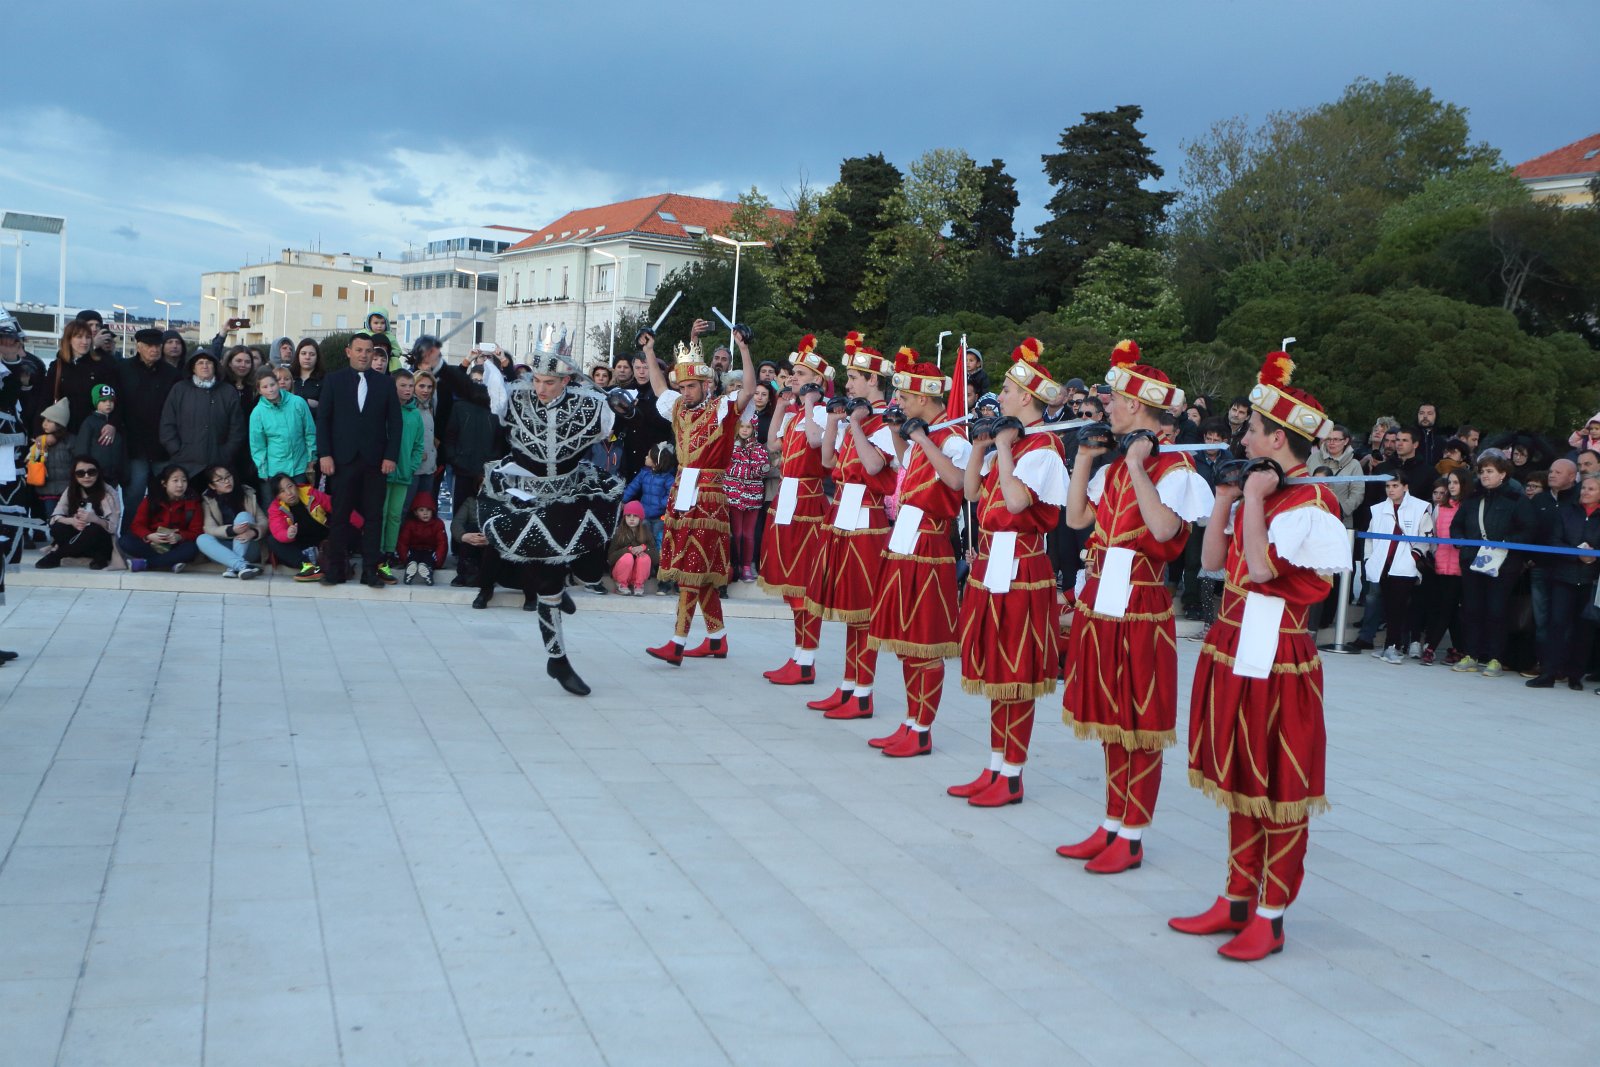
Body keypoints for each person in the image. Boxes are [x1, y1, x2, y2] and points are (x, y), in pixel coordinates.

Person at [1173, 350, 1350, 961]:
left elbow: (1266, 568)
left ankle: (1271, 913)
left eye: (1251, 428)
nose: (1242, 433)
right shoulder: (1263, 492)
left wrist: (1252, 496)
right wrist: (1228, 495)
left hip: (1278, 656)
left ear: (1278, 438)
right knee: (1240, 779)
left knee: (1277, 784)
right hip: (1233, 644)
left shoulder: (1309, 505)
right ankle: (1236, 897)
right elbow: (1215, 566)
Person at [1058, 339, 1212, 868]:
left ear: (1138, 410)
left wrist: (1141, 465)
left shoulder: (1175, 472)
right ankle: (1110, 822)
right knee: (1108, 718)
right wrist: (1083, 458)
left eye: (1115, 402)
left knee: (1138, 722)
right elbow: (1078, 520)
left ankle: (1133, 833)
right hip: (1102, 599)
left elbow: (1167, 531)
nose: (1106, 408)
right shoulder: (1114, 467)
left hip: (1142, 606)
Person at [948, 339, 1069, 808]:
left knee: (1015, 670)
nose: (1000, 392)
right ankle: (995, 764)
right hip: (994, 561)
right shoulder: (1015, 443)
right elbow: (973, 493)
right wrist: (983, 446)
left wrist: (1003, 446)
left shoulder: (1044, 448)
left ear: (1025, 396)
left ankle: (1012, 773)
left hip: (1022, 564)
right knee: (998, 668)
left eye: (1007, 387)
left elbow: (1018, 502)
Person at [475, 339, 624, 695]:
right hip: (527, 496)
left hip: (572, 492)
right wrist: (487, 359)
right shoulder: (514, 399)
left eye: (550, 382)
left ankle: (571, 575)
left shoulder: (590, 405)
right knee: (547, 584)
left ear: (566, 381)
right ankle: (557, 659)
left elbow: (611, 418)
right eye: (538, 380)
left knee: (590, 565)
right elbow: (488, 386)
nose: (540, 388)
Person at [863, 350, 971, 759]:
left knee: (925, 639)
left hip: (930, 546)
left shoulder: (955, 440)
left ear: (924, 400)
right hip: (905, 542)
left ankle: (923, 728)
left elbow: (957, 483)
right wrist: (901, 434)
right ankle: (911, 721)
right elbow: (907, 476)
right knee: (906, 640)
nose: (900, 405)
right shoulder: (922, 437)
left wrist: (924, 438)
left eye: (905, 399)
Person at [641, 320, 754, 666]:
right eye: (683, 386)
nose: (685, 391)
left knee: (692, 568)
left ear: (706, 385)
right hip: (682, 493)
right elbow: (660, 389)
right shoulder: (678, 408)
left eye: (691, 386)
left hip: (708, 496)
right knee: (699, 570)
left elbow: (749, 389)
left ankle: (677, 642)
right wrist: (648, 350)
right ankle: (717, 639)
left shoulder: (721, 408)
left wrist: (745, 349)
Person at [803, 335, 898, 719]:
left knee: (863, 608)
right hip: (842, 512)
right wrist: (833, 421)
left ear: (873, 380)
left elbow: (875, 467)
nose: (848, 385)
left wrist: (856, 425)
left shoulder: (884, 422)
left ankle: (863, 693)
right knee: (846, 607)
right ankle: (847, 686)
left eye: (855, 378)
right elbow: (827, 461)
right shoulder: (855, 418)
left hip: (868, 518)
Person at [758, 336, 834, 685]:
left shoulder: (823, 412)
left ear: (816, 380)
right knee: (790, 581)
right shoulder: (794, 413)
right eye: (794, 373)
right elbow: (773, 442)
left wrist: (807, 405)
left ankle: (807, 658)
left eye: (801, 374)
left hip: (808, 500)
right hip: (787, 498)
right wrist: (780, 406)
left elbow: (818, 444)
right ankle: (799, 655)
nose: (793, 378)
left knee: (804, 580)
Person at [315, 333, 402, 588]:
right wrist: (325, 454)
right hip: (342, 460)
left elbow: (395, 424)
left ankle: (370, 571)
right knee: (339, 516)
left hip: (376, 462)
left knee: (374, 517)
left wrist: (390, 456)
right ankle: (335, 570)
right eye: (360, 350)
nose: (364, 355)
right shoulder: (333, 381)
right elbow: (323, 420)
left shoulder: (385, 384)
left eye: (369, 351)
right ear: (348, 352)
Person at [1451, 454, 1532, 678]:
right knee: (1471, 609)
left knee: (1497, 610)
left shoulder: (1517, 499)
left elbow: (1527, 530)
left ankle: (1496, 658)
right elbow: (1457, 525)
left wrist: (1507, 543)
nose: (1485, 476)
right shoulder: (1472, 497)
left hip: (1504, 564)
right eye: (1482, 472)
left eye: (1490, 471)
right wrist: (1460, 540)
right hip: (1472, 561)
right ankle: (1471, 655)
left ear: (1503, 474)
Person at [1526, 473, 1600, 690]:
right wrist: (1577, 554)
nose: (1585, 492)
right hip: (1563, 576)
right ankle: (1548, 673)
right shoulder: (1565, 512)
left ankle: (1575, 675)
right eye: (1584, 488)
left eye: (1591, 489)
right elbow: (1554, 541)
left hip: (1590, 580)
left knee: (1583, 629)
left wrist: (1593, 556)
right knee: (1556, 626)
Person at [1362, 472, 1432, 665]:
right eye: (1388, 486)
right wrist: (1369, 559)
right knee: (1388, 605)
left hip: (1405, 565)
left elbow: (1426, 536)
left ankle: (1393, 645)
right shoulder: (1377, 509)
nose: (1391, 490)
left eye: (1395, 486)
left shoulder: (1420, 507)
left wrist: (1414, 556)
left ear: (1405, 487)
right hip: (1383, 564)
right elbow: (1370, 536)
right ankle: (1389, 646)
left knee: (1398, 607)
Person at [116, 327, 182, 523]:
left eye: (157, 346)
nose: (154, 350)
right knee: (134, 495)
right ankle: (129, 537)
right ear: (138, 347)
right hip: (135, 444)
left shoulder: (172, 374)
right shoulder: (123, 369)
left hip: (163, 445)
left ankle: (160, 536)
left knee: (164, 494)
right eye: (149, 346)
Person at [159, 348, 245, 478]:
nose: (205, 366)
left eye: (209, 362)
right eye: (200, 363)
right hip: (185, 464)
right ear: (193, 368)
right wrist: (177, 450)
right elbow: (167, 423)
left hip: (219, 466)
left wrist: (225, 453)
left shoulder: (228, 391)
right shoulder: (179, 390)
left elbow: (237, 428)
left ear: (215, 367)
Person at [377, 368, 427, 583]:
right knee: (381, 512)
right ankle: (377, 550)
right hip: (383, 472)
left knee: (396, 514)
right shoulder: (383, 409)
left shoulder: (415, 414)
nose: (407, 390)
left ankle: (390, 550)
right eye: (403, 386)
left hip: (404, 473)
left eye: (410, 386)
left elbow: (418, 445)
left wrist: (411, 466)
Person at [35, 457, 119, 570]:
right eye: (80, 473)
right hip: (77, 536)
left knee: (94, 529)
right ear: (74, 475)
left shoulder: (108, 493)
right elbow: (55, 516)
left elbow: (113, 527)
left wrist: (95, 519)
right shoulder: (71, 490)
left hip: (99, 540)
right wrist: (72, 521)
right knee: (58, 527)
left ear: (98, 473)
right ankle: (97, 558)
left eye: (91, 472)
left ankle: (57, 555)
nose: (86, 476)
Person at [119, 463, 203, 572]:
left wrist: (180, 536)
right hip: (152, 543)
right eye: (175, 480)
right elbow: (137, 525)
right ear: (164, 483)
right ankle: (171, 561)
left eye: (184, 480)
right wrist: (149, 535)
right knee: (125, 541)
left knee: (192, 548)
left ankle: (147, 564)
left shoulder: (193, 503)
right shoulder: (151, 500)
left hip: (176, 544)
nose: (180, 485)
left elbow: (197, 532)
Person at [1418, 472, 1464, 665]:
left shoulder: (1467, 506)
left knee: (1447, 607)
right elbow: (1434, 535)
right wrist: (1435, 555)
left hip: (1460, 566)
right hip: (1440, 564)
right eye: (1450, 483)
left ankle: (1431, 647)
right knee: (1448, 608)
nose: (1452, 487)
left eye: (1455, 483)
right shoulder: (1439, 508)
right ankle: (1459, 649)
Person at [264, 473, 341, 581]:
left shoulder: (310, 493)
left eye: (290, 486)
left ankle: (322, 558)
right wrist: (287, 534)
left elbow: (340, 508)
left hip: (322, 541)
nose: (289, 493)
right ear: (277, 496)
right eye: (282, 491)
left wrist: (362, 527)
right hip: (299, 548)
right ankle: (308, 566)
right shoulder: (276, 508)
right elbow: (277, 529)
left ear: (295, 485)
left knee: (340, 527)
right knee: (272, 540)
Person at [248, 366, 317, 485]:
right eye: (265, 387)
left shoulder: (298, 402)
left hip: (300, 466)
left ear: (278, 384)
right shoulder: (257, 413)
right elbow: (257, 445)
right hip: (275, 470)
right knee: (276, 503)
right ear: (259, 391)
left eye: (272, 384)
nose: (270, 389)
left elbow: (309, 432)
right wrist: (263, 470)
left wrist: (312, 458)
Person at [196, 465, 266, 578]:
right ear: (212, 486)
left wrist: (254, 532)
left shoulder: (246, 493)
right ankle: (241, 566)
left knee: (243, 516)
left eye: (228, 476)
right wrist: (231, 530)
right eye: (220, 480)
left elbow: (263, 521)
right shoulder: (208, 500)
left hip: (248, 545)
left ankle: (236, 566)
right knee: (202, 539)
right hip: (223, 552)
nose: (227, 481)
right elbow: (209, 528)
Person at [725, 416, 768, 582]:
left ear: (754, 429)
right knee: (737, 532)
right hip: (734, 496)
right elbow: (729, 469)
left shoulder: (759, 449)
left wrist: (751, 469)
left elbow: (763, 469)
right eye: (742, 426)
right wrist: (751, 470)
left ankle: (746, 566)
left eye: (748, 427)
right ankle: (735, 565)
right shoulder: (730, 447)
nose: (744, 430)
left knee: (749, 534)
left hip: (753, 497)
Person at [72, 385, 128, 489]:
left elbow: (122, 450)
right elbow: (82, 448)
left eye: (111, 401)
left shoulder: (118, 425)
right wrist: (85, 471)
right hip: (94, 476)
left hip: (113, 477)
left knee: (111, 503)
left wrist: (124, 473)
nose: (108, 404)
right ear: (96, 402)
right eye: (103, 401)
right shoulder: (89, 422)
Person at [29, 399, 75, 513]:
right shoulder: (41, 440)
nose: (44, 423)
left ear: (59, 424)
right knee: (52, 519)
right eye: (44, 419)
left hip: (66, 491)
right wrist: (39, 448)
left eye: (49, 420)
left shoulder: (69, 440)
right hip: (47, 491)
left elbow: (77, 463)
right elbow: (36, 464)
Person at [396, 491, 447, 585]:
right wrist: (404, 558)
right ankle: (411, 567)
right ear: (415, 512)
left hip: (430, 550)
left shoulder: (438, 524)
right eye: (421, 510)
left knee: (429, 559)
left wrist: (438, 562)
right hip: (414, 549)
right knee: (412, 557)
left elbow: (442, 543)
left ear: (433, 511)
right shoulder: (410, 524)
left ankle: (427, 570)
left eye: (428, 510)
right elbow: (403, 542)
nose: (425, 513)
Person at [608, 500, 657, 595]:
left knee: (644, 557)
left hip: (638, 574)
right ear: (624, 517)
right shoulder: (619, 533)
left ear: (640, 518)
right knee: (628, 557)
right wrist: (628, 550)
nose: (631, 519)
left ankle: (638, 585)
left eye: (635, 516)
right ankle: (621, 585)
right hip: (621, 572)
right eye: (628, 515)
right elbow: (610, 559)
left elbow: (656, 559)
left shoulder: (646, 532)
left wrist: (644, 548)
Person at [290, 338, 325, 410]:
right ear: (298, 355)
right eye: (303, 353)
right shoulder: (289, 376)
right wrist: (306, 401)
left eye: (312, 354)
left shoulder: (325, 379)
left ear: (317, 357)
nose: (307, 357)